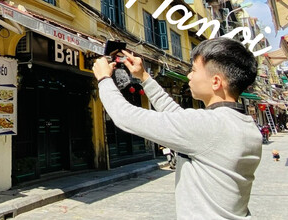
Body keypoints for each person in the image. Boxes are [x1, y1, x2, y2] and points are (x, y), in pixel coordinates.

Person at [92, 37, 262, 220]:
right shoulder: (242, 124)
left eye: (194, 70)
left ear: (216, 82)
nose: (189, 75)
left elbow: (125, 116)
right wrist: (144, 77)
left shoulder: (208, 126)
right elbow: (177, 117)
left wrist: (103, 79)